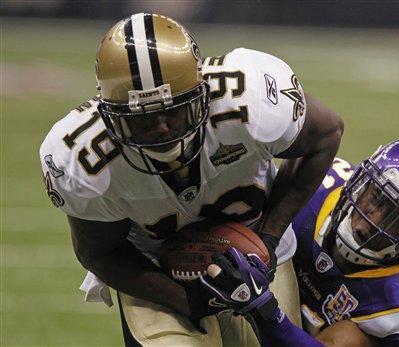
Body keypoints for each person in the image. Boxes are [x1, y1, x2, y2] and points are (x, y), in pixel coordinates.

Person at [39, 12, 343, 346]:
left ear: (202, 93)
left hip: (254, 249)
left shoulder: (248, 102)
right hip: (154, 265)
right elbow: (100, 253)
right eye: (143, 119)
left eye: (172, 110)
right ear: (109, 115)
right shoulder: (84, 158)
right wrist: (188, 299)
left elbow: (326, 134)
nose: (161, 128)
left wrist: (268, 238)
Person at [201, 137, 399, 347]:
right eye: (375, 198)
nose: (367, 222)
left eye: (397, 221)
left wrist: (264, 309)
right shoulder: (316, 188)